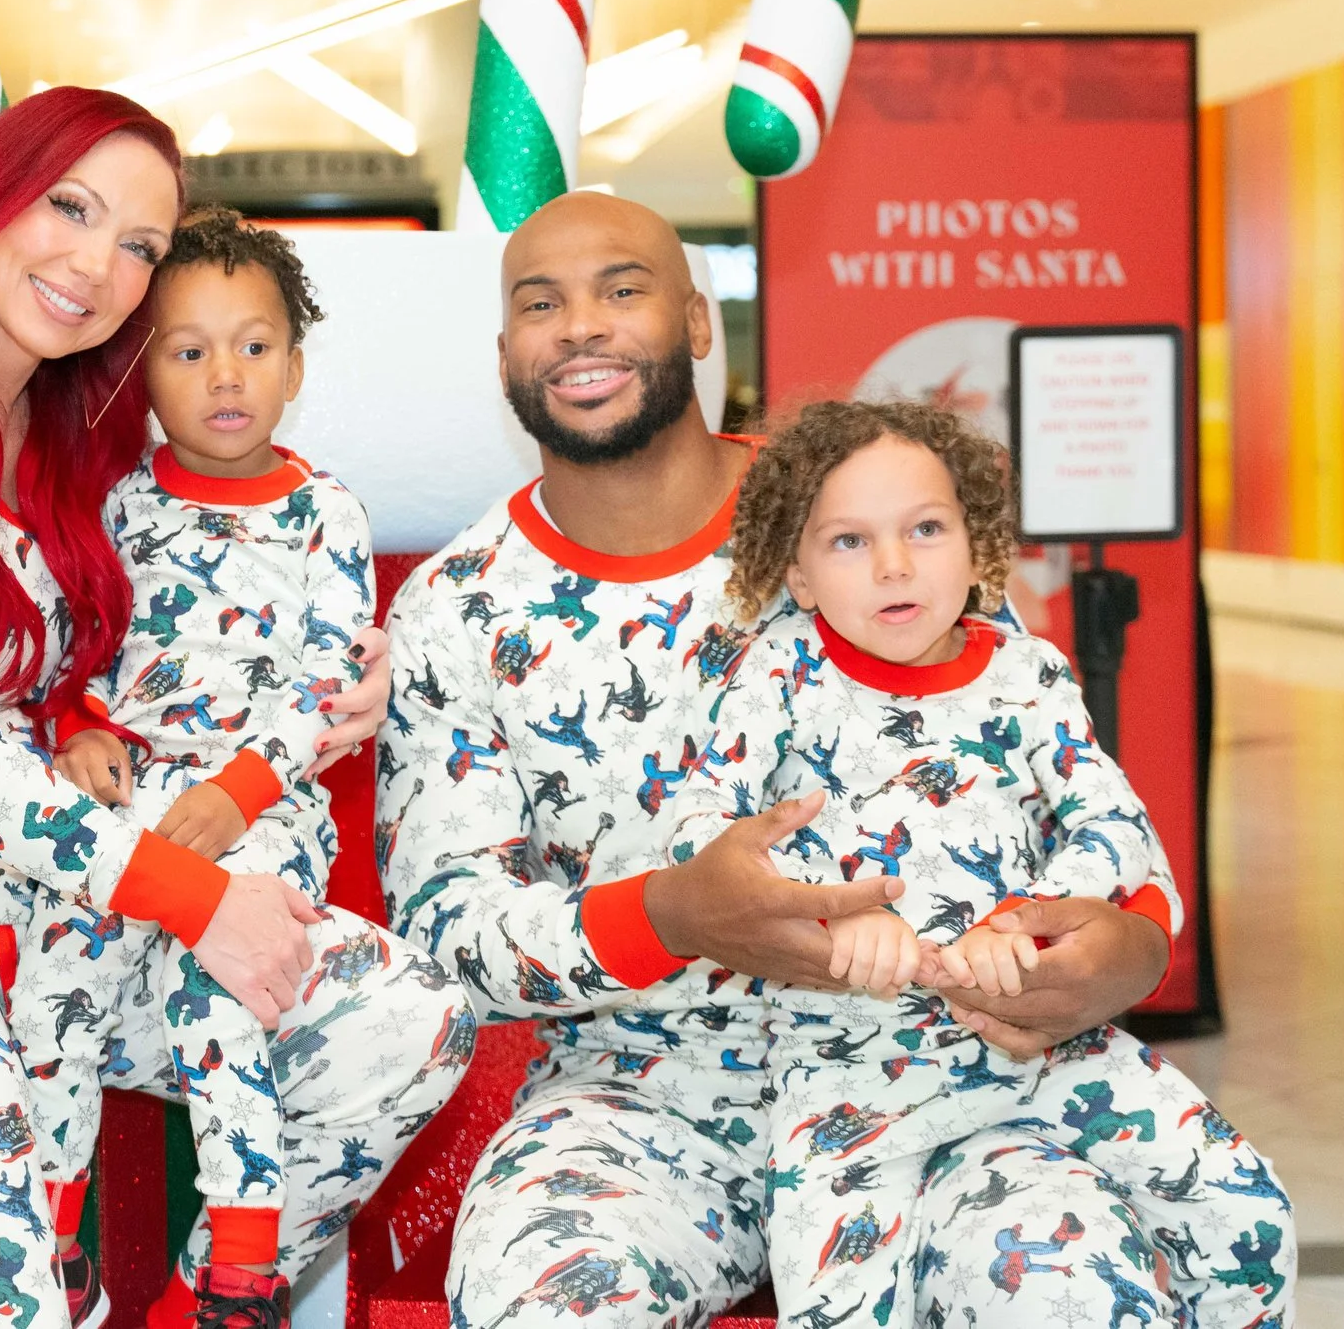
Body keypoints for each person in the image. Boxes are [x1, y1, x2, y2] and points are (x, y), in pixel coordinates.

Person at [0, 89, 468, 1329]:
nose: (96, 264)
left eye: (139, 246)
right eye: (71, 207)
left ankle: (202, 1300)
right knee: (8, 1305)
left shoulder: (73, 436)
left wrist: (364, 676)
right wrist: (194, 892)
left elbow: (196, 634)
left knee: (408, 1022)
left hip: (64, 899)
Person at [377, 191, 1187, 1329]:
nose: (580, 327)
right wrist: (670, 914)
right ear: (507, 354)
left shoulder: (876, 513)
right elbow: (448, 933)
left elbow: (1056, 779)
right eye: (540, 304)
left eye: (622, 289)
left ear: (698, 323)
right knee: (540, 1301)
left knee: (1073, 1293)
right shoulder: (456, 612)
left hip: (950, 1080)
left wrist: (1128, 953)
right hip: (637, 1102)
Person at [658, 399, 1289, 1328]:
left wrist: (1039, 919)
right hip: (853, 1076)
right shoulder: (769, 680)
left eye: (925, 528)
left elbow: (1112, 821)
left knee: (1247, 1208)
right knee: (838, 1306)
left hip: (1045, 1045)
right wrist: (829, 919)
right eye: (848, 541)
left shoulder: (1026, 676)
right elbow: (699, 838)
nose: (894, 565)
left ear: (977, 544)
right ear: (793, 570)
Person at [15, 211, 401, 1328]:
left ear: (292, 367)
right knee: (58, 959)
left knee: (224, 979)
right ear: (140, 375)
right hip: (130, 792)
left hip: (262, 800)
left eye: (253, 347)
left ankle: (240, 1254)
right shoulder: (116, 506)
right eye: (187, 352)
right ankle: (50, 1218)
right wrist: (81, 726)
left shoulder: (325, 513)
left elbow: (331, 690)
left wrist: (233, 797)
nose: (223, 376)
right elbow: (79, 651)